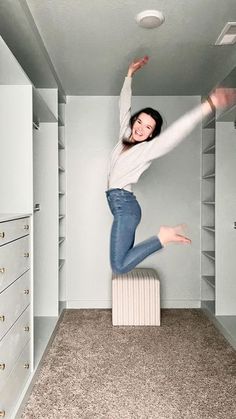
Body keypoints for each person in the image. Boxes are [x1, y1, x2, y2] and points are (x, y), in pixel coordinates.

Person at [105, 56, 236, 275]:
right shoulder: (124, 137)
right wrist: (129, 75)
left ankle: (162, 237)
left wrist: (209, 105)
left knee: (119, 266)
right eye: (139, 122)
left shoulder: (146, 150)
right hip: (121, 205)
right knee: (121, 262)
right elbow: (124, 107)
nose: (140, 128)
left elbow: (176, 132)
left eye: (148, 128)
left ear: (151, 134)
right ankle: (162, 237)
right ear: (134, 122)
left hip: (125, 207)